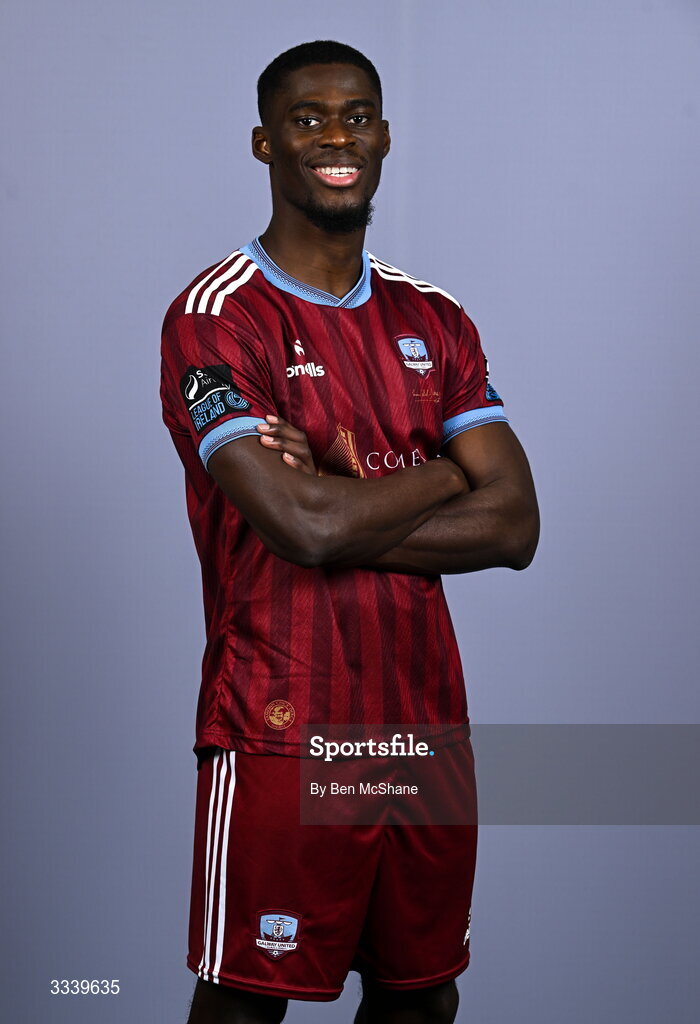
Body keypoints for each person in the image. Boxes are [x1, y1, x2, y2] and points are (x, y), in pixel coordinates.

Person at [160, 39, 539, 1024]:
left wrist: (343, 490)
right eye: (308, 118)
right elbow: (301, 527)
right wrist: (444, 471)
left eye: (356, 116)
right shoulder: (215, 318)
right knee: (247, 1004)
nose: (337, 136)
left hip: (424, 725)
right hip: (282, 721)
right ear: (264, 143)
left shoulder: (434, 318)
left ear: (384, 136)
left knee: (425, 999)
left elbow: (514, 524)